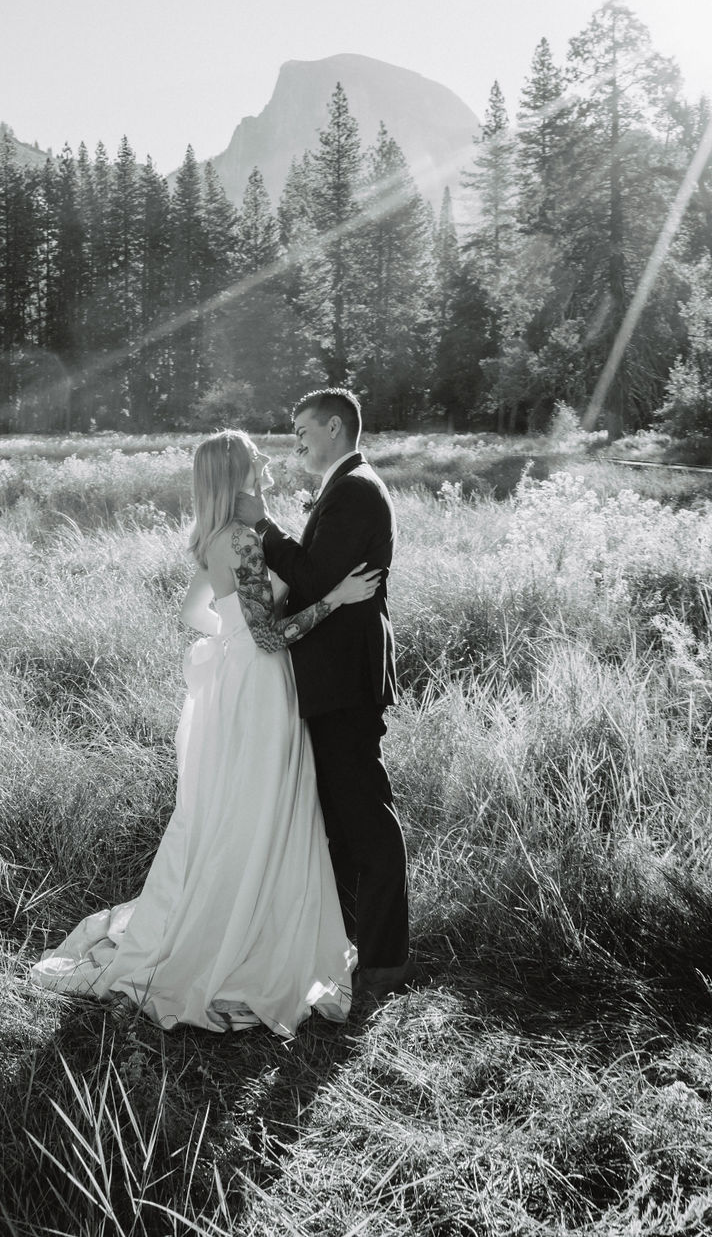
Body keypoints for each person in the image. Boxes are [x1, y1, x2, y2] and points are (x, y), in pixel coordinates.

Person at [29, 429, 380, 1036]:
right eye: (255, 458)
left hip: (242, 684)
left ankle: (244, 924)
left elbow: (197, 613)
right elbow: (271, 635)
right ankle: (244, 943)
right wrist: (339, 599)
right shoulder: (242, 539)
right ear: (234, 473)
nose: (267, 461)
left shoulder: (217, 536)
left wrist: (227, 641)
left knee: (241, 810)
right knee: (263, 810)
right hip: (261, 688)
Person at [236, 388, 410, 1000]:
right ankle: (345, 948)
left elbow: (312, 581)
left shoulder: (357, 490)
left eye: (302, 430)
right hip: (335, 678)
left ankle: (385, 962)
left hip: (344, 681)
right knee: (342, 818)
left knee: (365, 816)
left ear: (334, 427)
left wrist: (262, 524)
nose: (296, 442)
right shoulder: (347, 487)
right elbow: (322, 580)